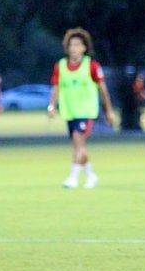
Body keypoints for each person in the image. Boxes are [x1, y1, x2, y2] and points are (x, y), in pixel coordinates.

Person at [47, 27, 115, 189]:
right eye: (71, 45)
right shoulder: (61, 66)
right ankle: (91, 176)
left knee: (79, 141)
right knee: (79, 146)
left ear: (84, 48)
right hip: (70, 112)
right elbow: (56, 88)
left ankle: (73, 177)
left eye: (78, 45)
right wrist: (52, 106)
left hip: (87, 112)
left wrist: (109, 110)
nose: (74, 49)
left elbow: (103, 89)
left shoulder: (91, 66)